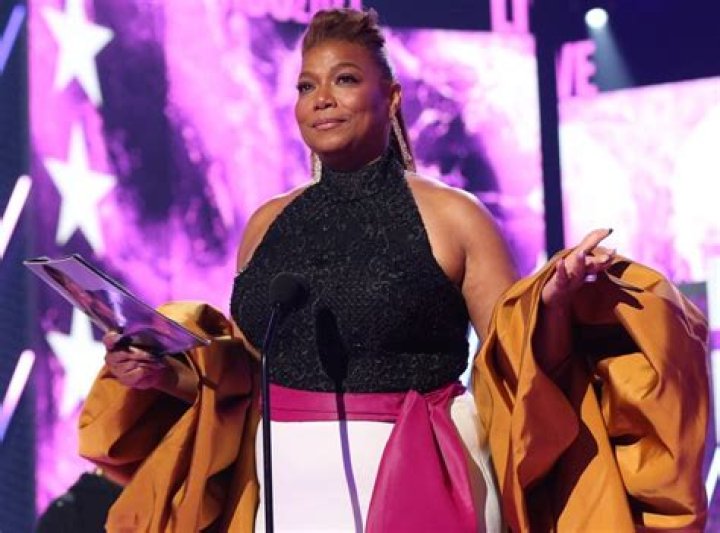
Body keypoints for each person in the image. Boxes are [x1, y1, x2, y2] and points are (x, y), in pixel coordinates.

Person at [79, 8, 709, 532]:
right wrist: (164, 376)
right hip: (283, 486)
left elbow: (512, 366)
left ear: (392, 96)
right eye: (306, 86)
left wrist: (555, 303)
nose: (322, 100)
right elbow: (245, 376)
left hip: (421, 470)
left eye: (345, 80)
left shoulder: (455, 217)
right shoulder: (267, 223)